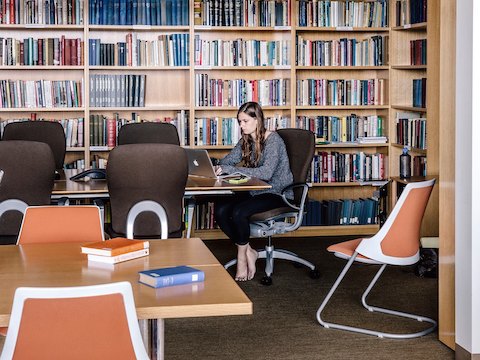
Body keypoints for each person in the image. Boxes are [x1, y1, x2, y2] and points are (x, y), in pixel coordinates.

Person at [214, 102, 293, 281]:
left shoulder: (274, 141)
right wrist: (218, 167)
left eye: (245, 121)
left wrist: (232, 170)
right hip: (256, 190)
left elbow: (266, 173)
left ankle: (241, 258)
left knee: (239, 212)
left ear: (257, 120)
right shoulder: (246, 139)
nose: (241, 126)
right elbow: (228, 161)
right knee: (220, 210)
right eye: (239, 122)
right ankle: (249, 251)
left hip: (277, 193)